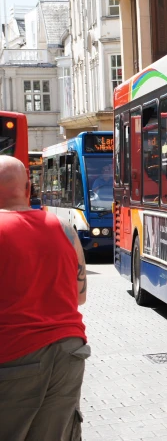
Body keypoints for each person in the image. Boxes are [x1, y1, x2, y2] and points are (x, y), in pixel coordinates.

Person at [0, 156, 89, 441]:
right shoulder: (64, 228)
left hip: (14, 356)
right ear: (29, 188)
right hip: (70, 353)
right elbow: (80, 296)